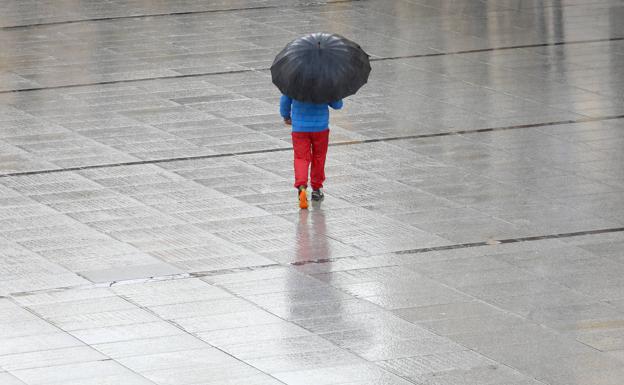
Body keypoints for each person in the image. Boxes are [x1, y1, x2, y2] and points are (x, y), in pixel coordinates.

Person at [280, 94, 343, 209]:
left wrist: (286, 116)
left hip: (299, 128)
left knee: (301, 158)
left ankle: (302, 186)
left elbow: (285, 100)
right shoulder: (325, 81)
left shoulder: (294, 80)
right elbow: (337, 105)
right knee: (319, 156)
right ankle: (316, 189)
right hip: (321, 128)